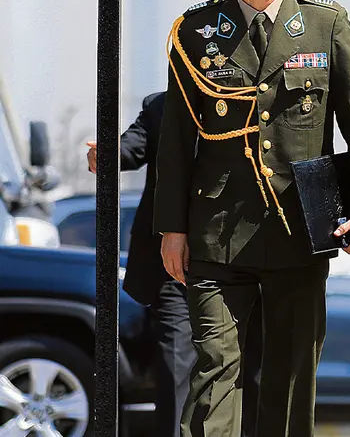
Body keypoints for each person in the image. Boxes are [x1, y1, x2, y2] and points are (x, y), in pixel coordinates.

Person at [153, 0, 350, 437]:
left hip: (300, 228)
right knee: (213, 374)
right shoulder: (197, 32)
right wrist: (171, 228)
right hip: (216, 233)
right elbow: (177, 139)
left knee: (293, 378)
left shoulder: (325, 24)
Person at [87, 93, 262, 437]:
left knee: (250, 370)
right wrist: (103, 155)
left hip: (241, 265)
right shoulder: (161, 106)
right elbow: (128, 149)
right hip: (173, 268)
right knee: (174, 369)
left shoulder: (255, 101)